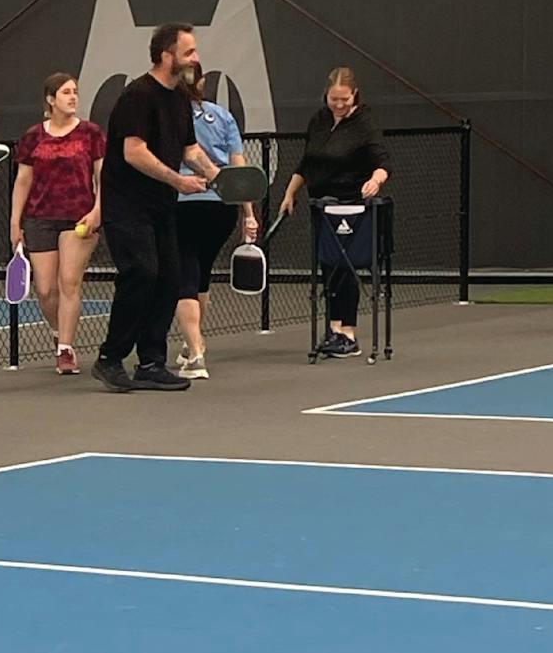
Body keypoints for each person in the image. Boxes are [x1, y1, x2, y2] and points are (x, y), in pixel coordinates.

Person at [92, 24, 224, 394]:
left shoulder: (180, 98)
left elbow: (190, 151)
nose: (196, 59)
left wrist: (218, 176)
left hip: (162, 207)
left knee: (169, 279)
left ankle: (151, 362)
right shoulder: (137, 95)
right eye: (189, 52)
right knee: (142, 273)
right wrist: (178, 182)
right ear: (166, 56)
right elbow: (133, 152)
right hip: (126, 206)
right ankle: (110, 358)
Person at [275, 66, 391, 358]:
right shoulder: (319, 120)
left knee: (346, 265)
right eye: (333, 99)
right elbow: (307, 162)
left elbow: (383, 162)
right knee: (328, 265)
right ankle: (333, 329)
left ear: (355, 96)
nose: (339, 105)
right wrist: (290, 193)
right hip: (321, 206)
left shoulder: (365, 123)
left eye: (344, 100)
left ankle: (348, 333)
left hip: (352, 205)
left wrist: (374, 181)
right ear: (326, 95)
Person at [9, 73, 105, 375]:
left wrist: (98, 211)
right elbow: (23, 180)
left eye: (75, 92)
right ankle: (57, 331)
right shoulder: (33, 137)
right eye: (66, 92)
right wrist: (15, 222)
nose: (73, 97)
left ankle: (66, 348)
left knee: (69, 281)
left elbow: (104, 176)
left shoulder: (91, 133)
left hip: (79, 217)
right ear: (51, 99)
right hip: (39, 218)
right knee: (47, 289)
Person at [173, 59, 258, 379]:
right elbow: (239, 170)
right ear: (202, 82)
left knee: (184, 276)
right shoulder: (223, 116)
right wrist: (247, 214)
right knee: (201, 274)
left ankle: (196, 354)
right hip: (221, 208)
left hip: (182, 202)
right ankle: (191, 342)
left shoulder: (170, 116)